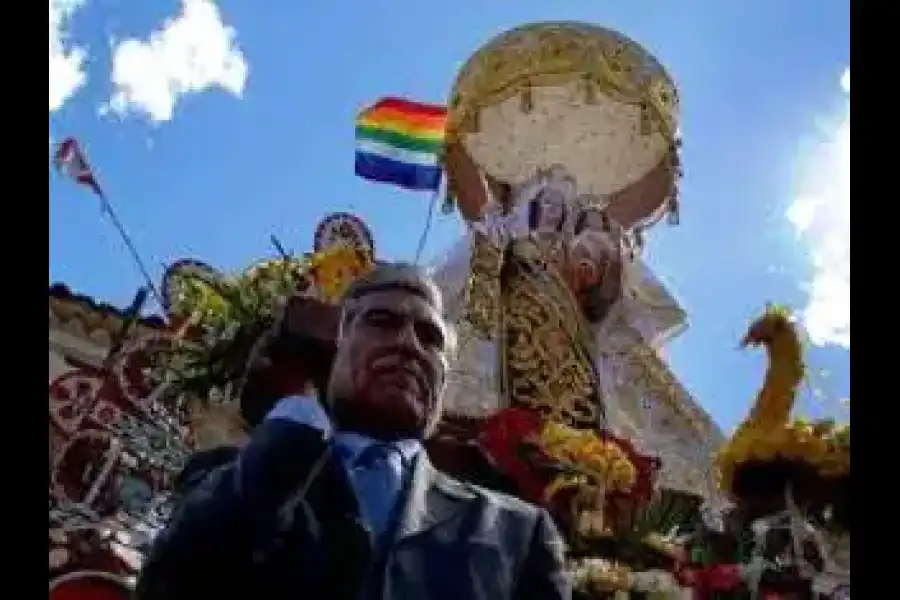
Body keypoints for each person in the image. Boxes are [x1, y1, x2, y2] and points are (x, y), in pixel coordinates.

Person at [136, 263, 571, 600]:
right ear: (333, 347)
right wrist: (296, 409)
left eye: (431, 339)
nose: (409, 345)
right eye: (382, 322)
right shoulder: (232, 479)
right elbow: (173, 582)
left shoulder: (517, 530)